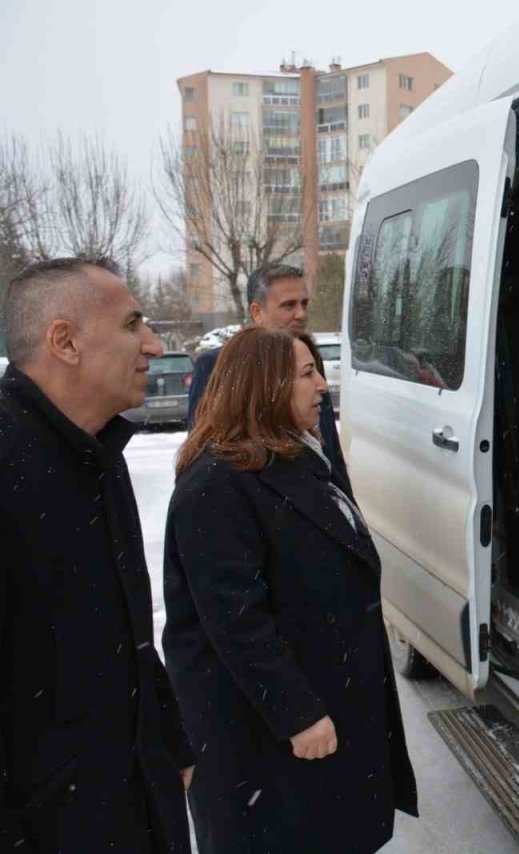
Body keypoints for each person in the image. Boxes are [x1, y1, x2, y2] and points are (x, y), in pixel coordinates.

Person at [162, 326, 417, 853]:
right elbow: (235, 621)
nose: (322, 385)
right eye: (306, 374)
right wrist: (297, 712)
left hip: (323, 710)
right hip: (267, 741)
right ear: (265, 386)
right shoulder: (217, 484)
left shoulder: (299, 460)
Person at [0, 257, 194, 852]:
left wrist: (168, 739)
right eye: (132, 324)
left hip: (131, 802)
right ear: (65, 342)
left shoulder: (97, 452)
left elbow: (125, 632)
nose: (154, 345)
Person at [186, 264, 350, 495]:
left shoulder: (310, 360)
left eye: (304, 304)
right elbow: (205, 450)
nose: (301, 314)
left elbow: (330, 447)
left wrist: (347, 506)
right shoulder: (219, 365)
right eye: (288, 305)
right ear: (257, 312)